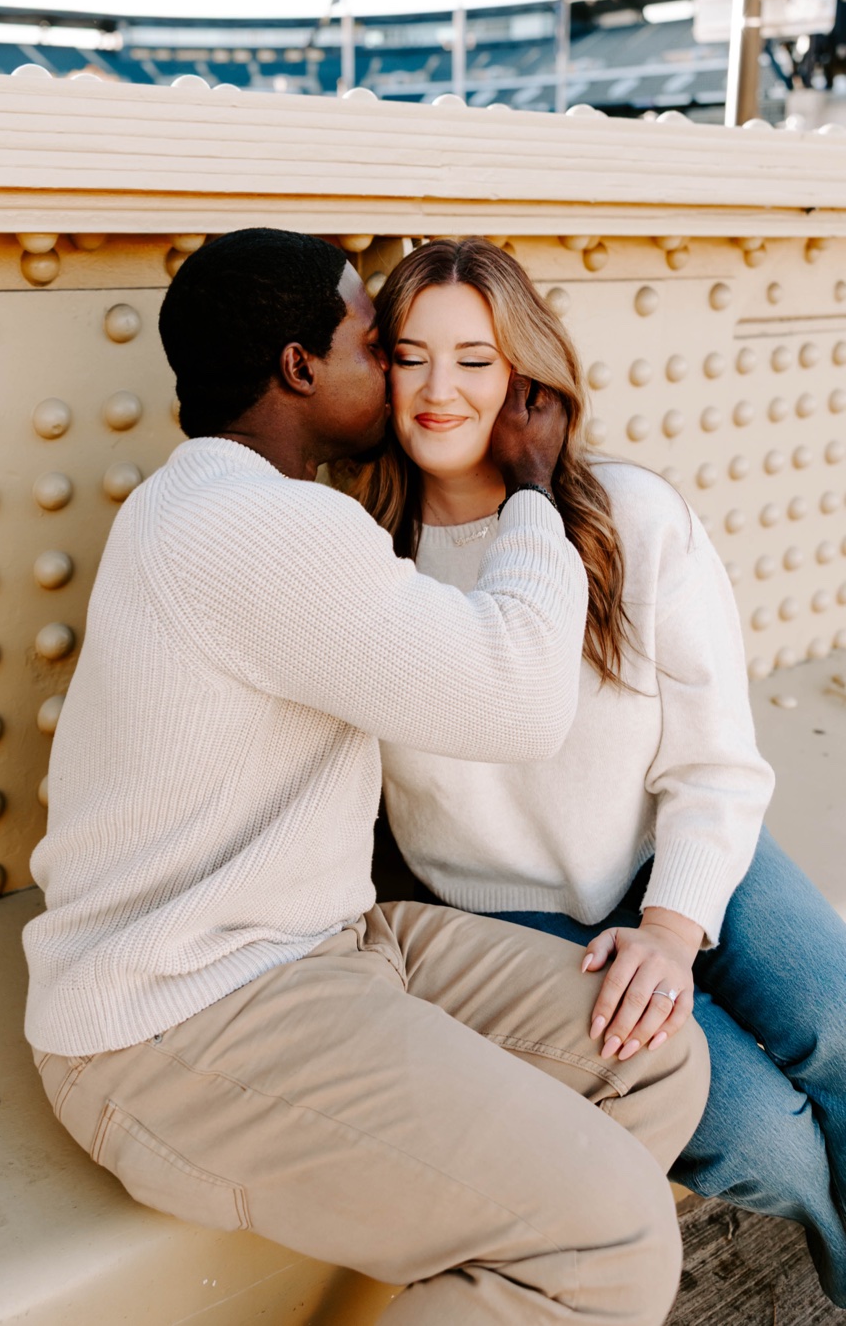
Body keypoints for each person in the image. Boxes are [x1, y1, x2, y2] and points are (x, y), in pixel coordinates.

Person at [23, 226, 712, 1325]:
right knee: (615, 1238)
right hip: (177, 1018)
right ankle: (559, 1260)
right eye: (373, 341)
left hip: (322, 944)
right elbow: (517, 702)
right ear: (299, 369)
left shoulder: (209, 504)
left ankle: (497, 1276)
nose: (396, 370)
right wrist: (529, 487)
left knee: (648, 1058)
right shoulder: (258, 526)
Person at [361, 236, 846, 1305]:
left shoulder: (630, 514)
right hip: (513, 920)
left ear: (524, 374)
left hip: (661, 845)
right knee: (763, 1139)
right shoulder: (359, 561)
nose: (440, 391)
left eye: (474, 361)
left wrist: (673, 928)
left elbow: (716, 757)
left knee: (838, 1025)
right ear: (375, 370)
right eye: (410, 357)